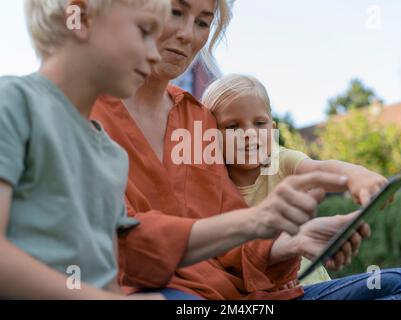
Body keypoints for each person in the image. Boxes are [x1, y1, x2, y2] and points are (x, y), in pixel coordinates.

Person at [91, 0, 382, 300]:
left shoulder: (199, 119)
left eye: (203, 22)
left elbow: (235, 233)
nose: (188, 35)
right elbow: (119, 243)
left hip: (241, 299)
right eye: (176, 12)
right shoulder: (84, 112)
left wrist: (292, 243)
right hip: (164, 296)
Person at [202, 73, 401, 299]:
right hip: (259, 297)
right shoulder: (207, 186)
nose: (249, 134)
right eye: (232, 126)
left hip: (309, 287)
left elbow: (321, 169)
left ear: (273, 129)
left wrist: (356, 175)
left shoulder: (278, 159)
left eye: (259, 123)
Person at [0, 0, 170, 299]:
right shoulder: (12, 103)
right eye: (145, 31)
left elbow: (104, 279)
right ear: (81, 18)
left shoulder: (113, 156)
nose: (155, 55)